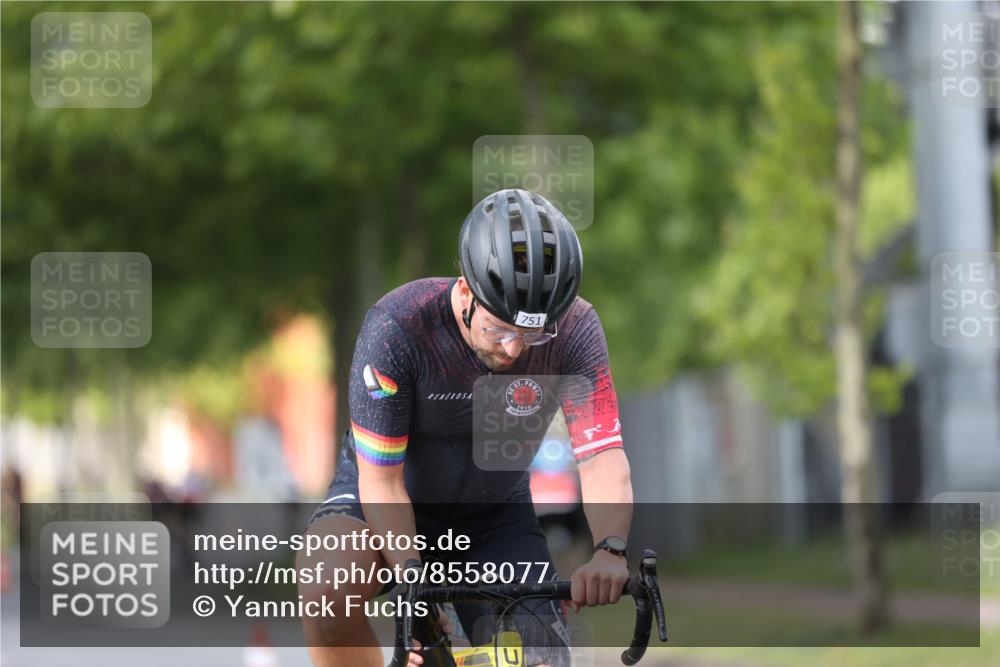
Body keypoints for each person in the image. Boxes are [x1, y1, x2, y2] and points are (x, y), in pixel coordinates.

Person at [299, 189, 633, 667]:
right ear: (464, 294)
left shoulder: (577, 329)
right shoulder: (400, 325)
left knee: (539, 655)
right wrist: (411, 579)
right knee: (326, 588)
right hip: (381, 499)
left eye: (534, 334)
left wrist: (610, 549)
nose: (516, 350)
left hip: (493, 514)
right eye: (500, 330)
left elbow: (600, 455)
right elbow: (382, 480)